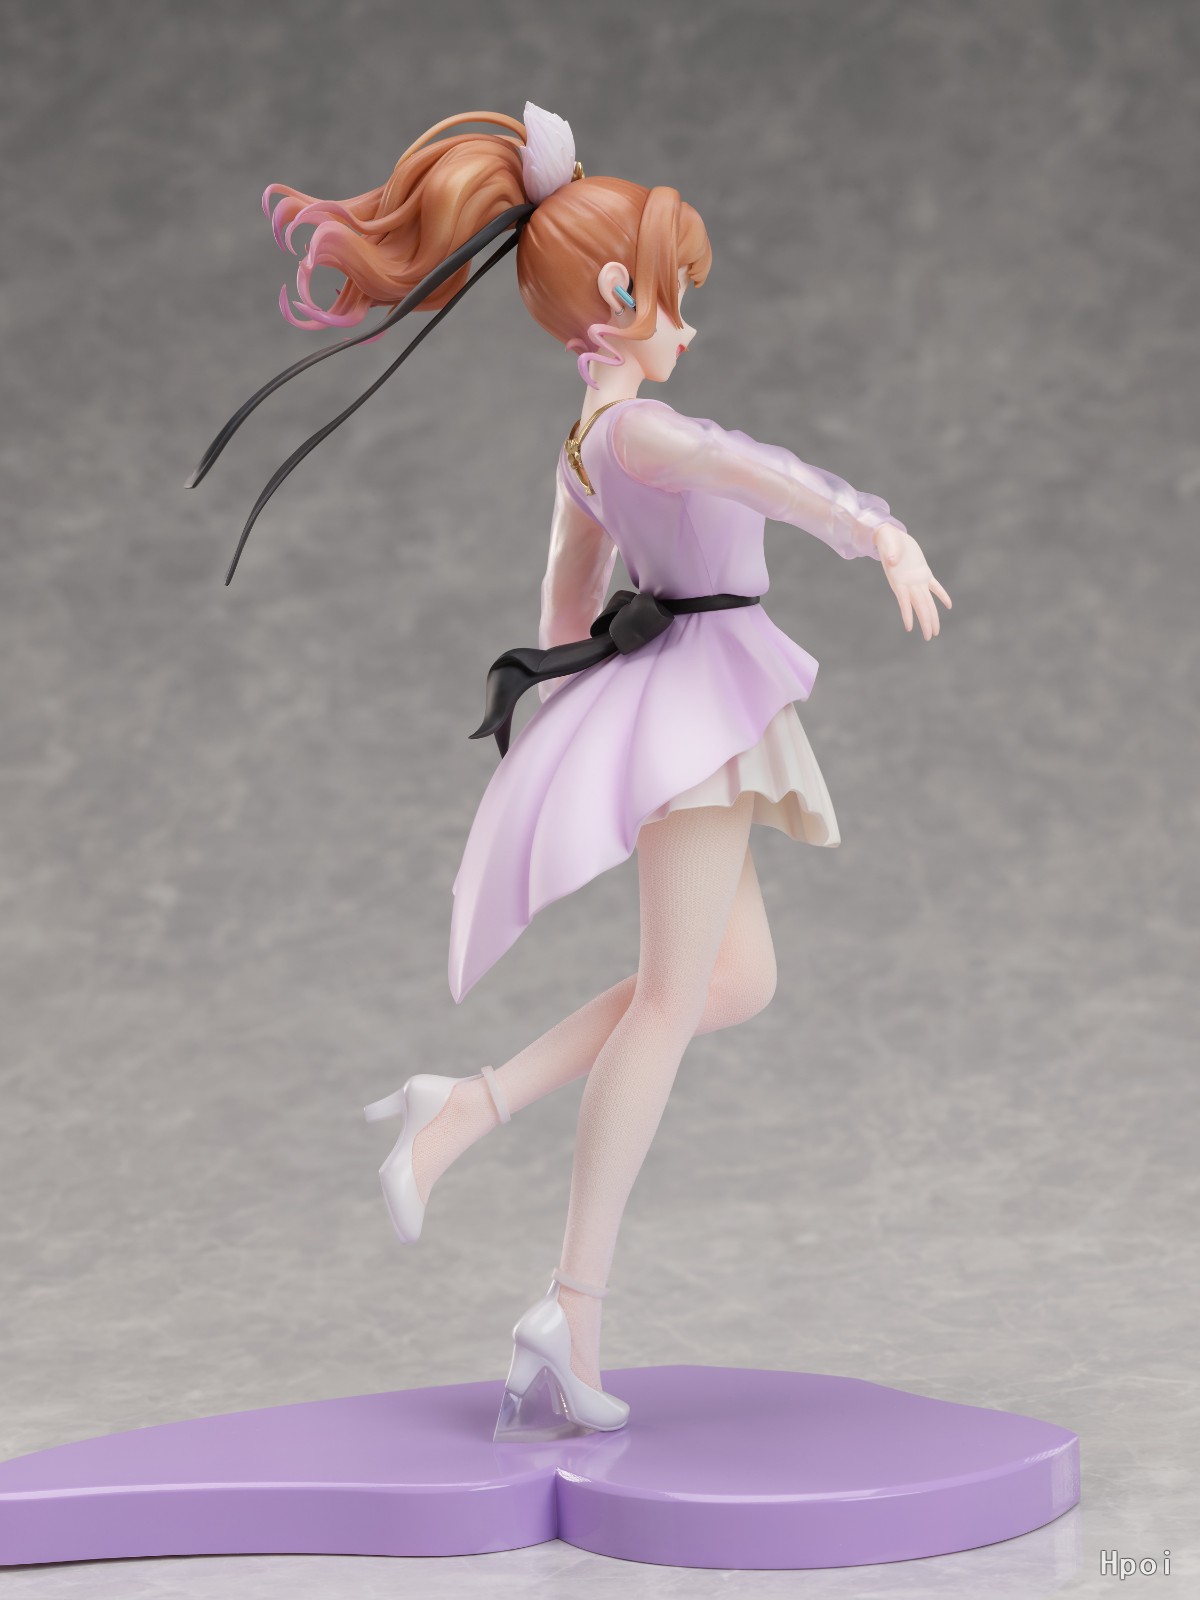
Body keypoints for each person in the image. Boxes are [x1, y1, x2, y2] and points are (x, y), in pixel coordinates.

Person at [194, 103, 951, 1441]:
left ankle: (466, 1107)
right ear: (611, 303)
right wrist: (877, 531)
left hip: (684, 702)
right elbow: (754, 473)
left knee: (733, 982)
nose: (686, 328)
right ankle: (570, 1308)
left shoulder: (581, 451)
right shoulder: (641, 434)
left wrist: (576, 729)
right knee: (670, 1002)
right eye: (670, 300)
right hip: (695, 707)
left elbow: (563, 601)